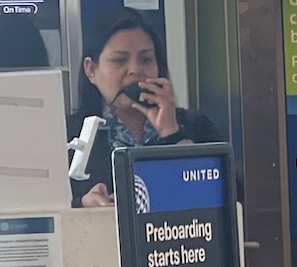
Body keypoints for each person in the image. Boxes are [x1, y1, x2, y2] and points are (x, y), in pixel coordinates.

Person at [70, 11, 218, 206]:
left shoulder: (197, 126)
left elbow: (226, 199)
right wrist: (81, 205)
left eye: (146, 59)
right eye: (119, 60)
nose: (136, 70)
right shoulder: (69, 136)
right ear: (91, 70)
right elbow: (45, 212)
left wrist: (171, 133)